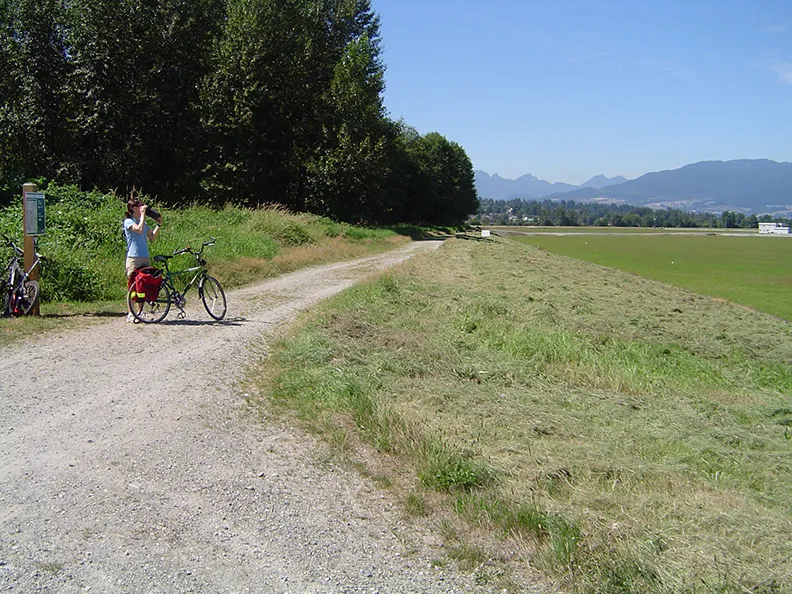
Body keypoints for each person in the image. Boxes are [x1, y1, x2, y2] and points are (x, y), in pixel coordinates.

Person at [123, 198, 162, 322]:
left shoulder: (143, 223)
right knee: (132, 285)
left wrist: (158, 225)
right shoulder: (128, 222)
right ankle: (130, 312)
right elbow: (138, 230)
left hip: (144, 256)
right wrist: (144, 215)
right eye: (139, 206)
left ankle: (140, 312)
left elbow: (152, 237)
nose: (142, 208)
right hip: (134, 257)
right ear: (133, 208)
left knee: (143, 285)